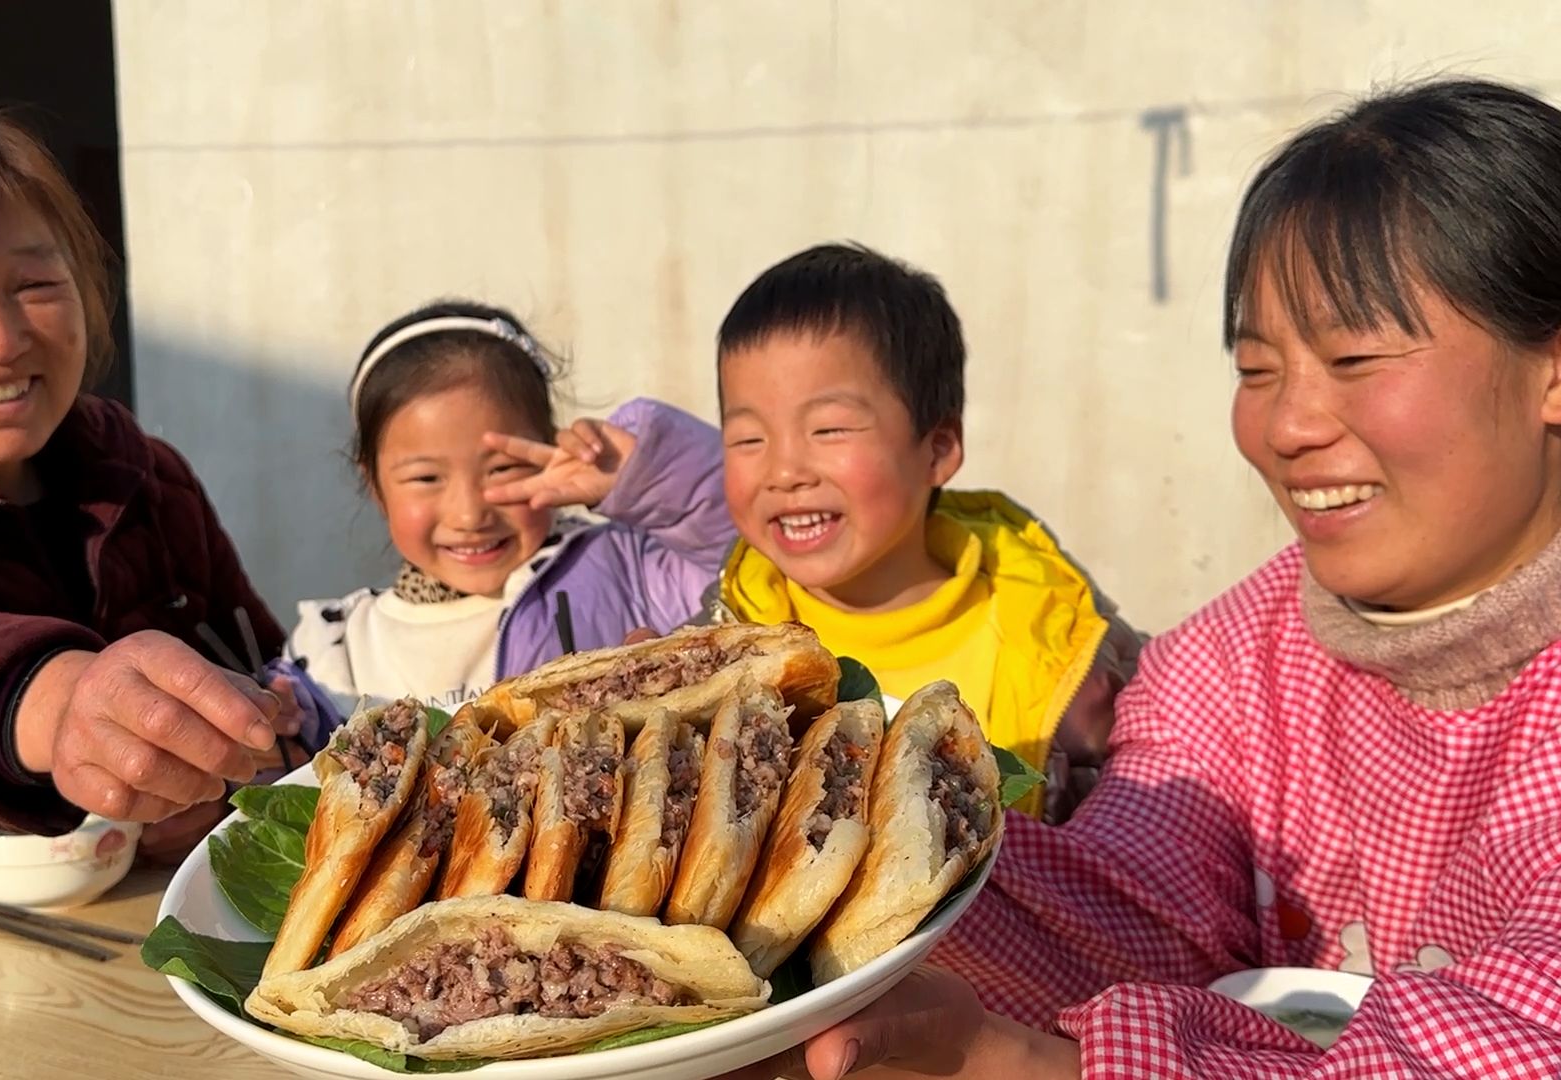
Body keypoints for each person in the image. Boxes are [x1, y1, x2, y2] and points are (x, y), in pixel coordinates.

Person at [726, 77, 1561, 1079]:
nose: (1287, 426)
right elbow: (1122, 908)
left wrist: (1057, 1068)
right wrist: (797, 829)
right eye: (1257, 370)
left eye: (1354, 357)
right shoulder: (1229, 666)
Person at [0, 103, 303, 895]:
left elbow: (263, 677)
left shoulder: (147, 479)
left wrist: (230, 773)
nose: (1, 337)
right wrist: (51, 699)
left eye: (36, 285)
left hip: (139, 956)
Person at [700, 243, 1140, 818]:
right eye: (748, 440)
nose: (784, 472)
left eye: (829, 430)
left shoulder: (1066, 652)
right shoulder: (722, 647)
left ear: (938, 449)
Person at [288, 300, 733, 712]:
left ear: (549, 447)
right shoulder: (336, 652)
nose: (469, 515)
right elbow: (282, 771)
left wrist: (645, 476)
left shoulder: (629, 571)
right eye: (426, 478)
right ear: (374, 482)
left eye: (502, 469)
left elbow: (746, 553)